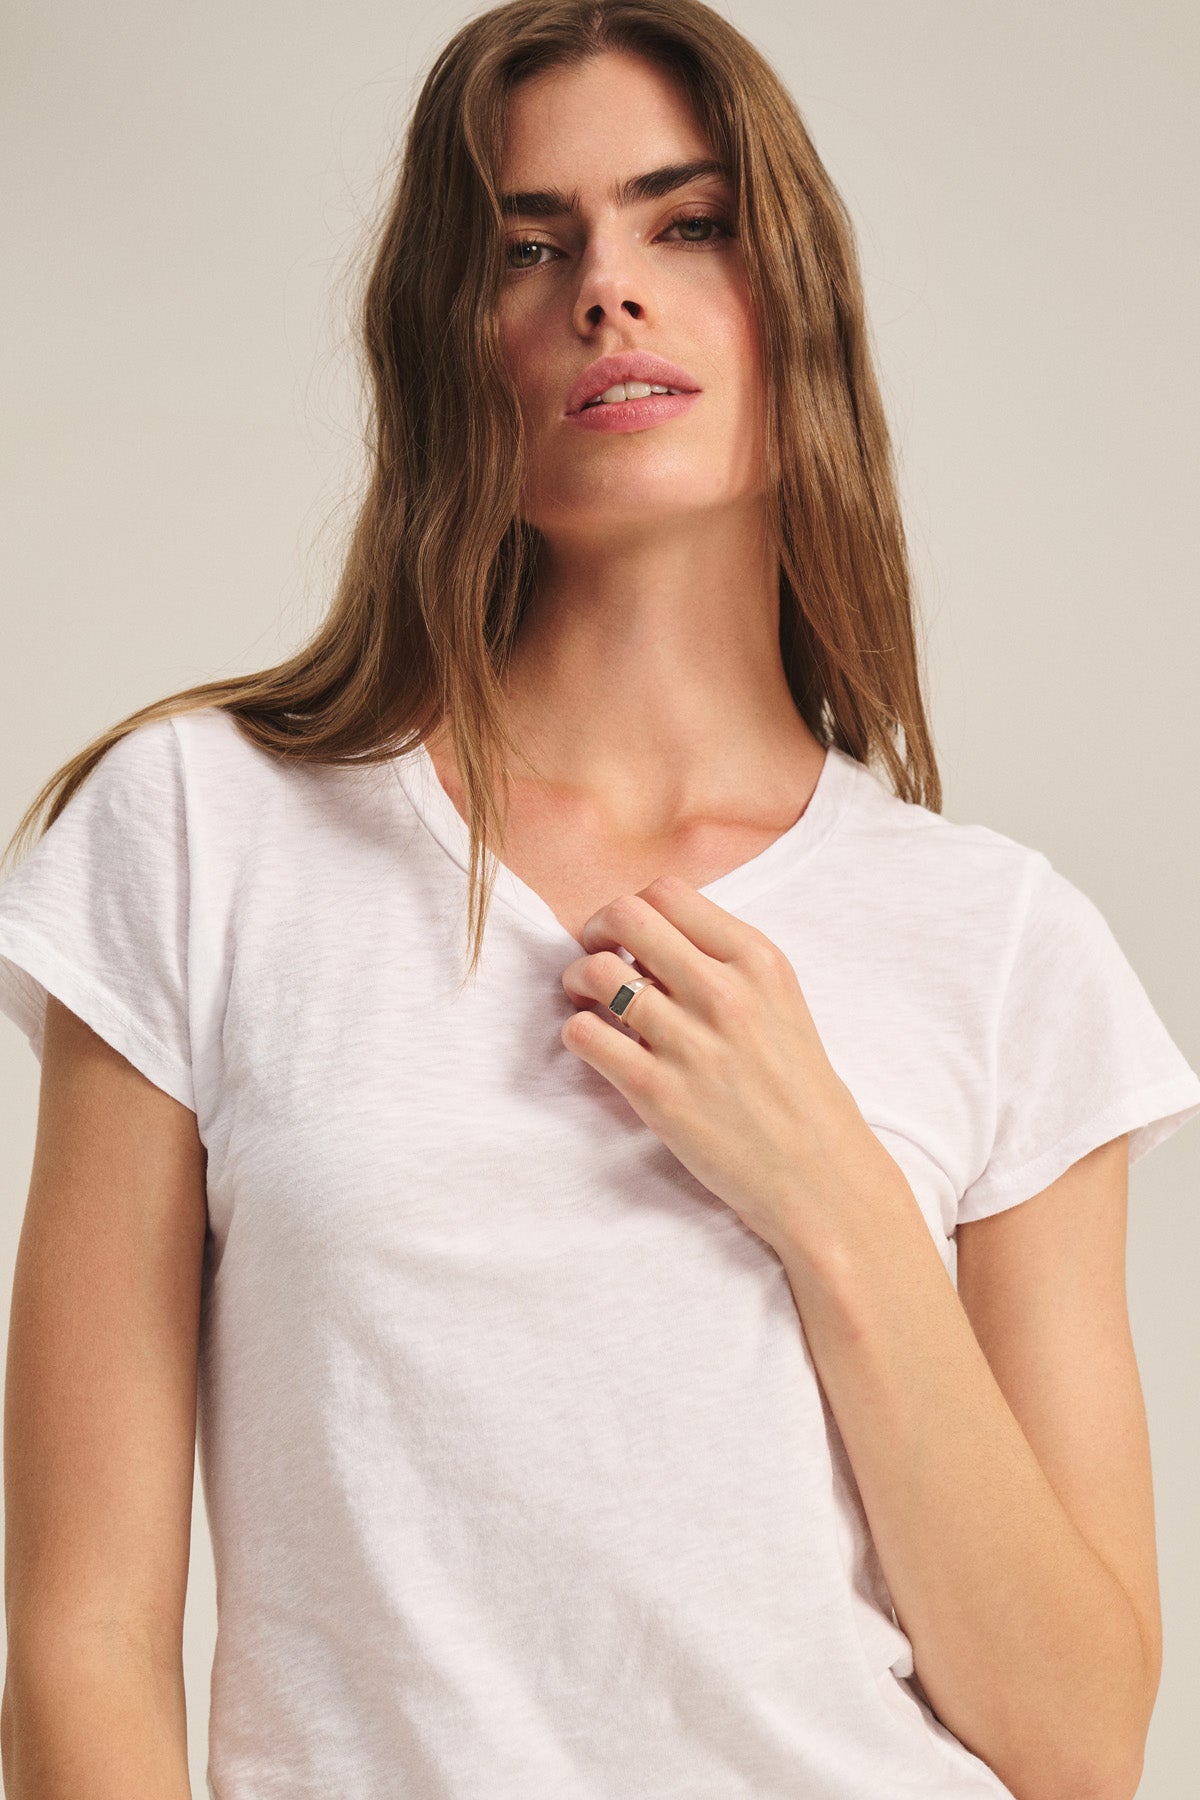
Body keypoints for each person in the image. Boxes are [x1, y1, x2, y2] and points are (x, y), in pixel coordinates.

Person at [0, 3, 1196, 1797]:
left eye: (685, 221)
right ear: (448, 339)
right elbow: (81, 1647)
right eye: (528, 245)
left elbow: (1083, 1736)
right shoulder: (201, 835)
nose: (606, 292)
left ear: (797, 299)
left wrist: (835, 1200)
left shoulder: (1007, 946)